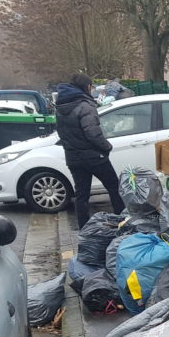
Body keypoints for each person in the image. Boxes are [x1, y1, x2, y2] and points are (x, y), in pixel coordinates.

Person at [55, 73, 125, 228]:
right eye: (91, 86)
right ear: (86, 87)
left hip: (73, 158)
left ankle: (84, 228)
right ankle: (122, 222)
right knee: (114, 187)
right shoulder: (85, 105)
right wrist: (107, 147)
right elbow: (93, 133)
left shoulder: (60, 107)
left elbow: (62, 132)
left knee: (82, 195)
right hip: (94, 156)